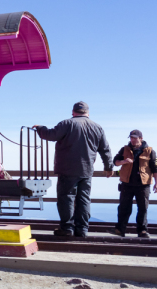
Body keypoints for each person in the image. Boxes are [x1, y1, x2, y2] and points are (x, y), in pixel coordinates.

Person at [34, 101, 111, 239]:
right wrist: (108, 167)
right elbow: (105, 149)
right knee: (84, 200)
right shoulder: (97, 127)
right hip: (87, 170)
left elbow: (51, 135)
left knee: (66, 199)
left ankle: (67, 228)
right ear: (88, 112)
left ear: (73, 112)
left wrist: (40, 128)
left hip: (67, 169)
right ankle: (82, 230)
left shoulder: (67, 124)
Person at [112, 129, 157, 238]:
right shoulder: (124, 149)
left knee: (143, 208)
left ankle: (142, 231)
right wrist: (124, 161)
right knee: (123, 207)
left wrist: (156, 183)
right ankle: (120, 230)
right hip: (127, 183)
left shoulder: (150, 151)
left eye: (135, 138)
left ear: (141, 138)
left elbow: (155, 168)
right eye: (131, 138)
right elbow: (115, 162)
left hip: (143, 184)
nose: (132, 140)